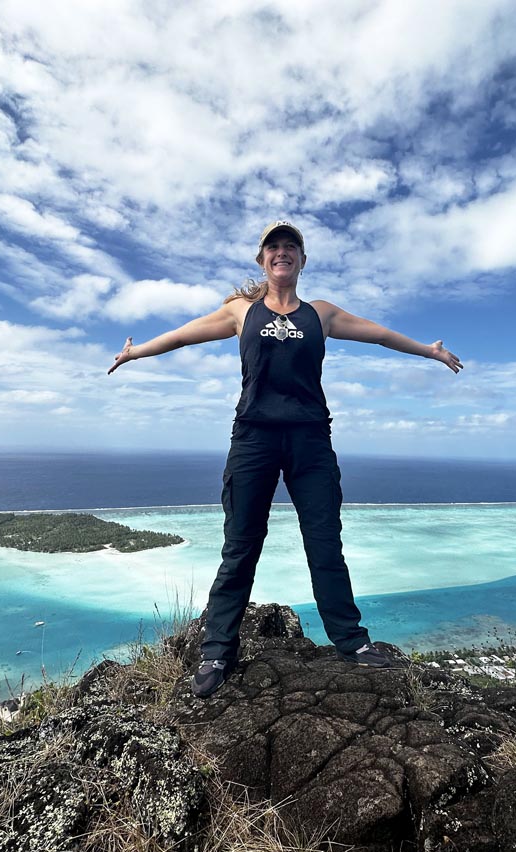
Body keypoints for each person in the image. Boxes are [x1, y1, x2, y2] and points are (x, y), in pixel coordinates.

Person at [108, 220, 462, 697]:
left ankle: (351, 643)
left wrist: (428, 351)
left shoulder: (322, 314)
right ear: (262, 260)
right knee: (241, 546)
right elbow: (183, 336)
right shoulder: (241, 312)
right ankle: (217, 652)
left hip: (310, 440)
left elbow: (378, 335)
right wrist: (136, 353)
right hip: (254, 438)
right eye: (274, 246)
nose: (282, 252)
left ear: (301, 260)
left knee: (324, 541)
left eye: (290, 246)